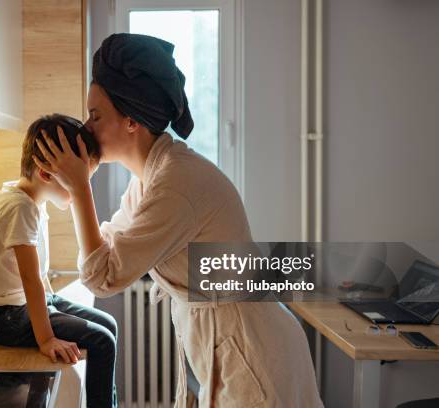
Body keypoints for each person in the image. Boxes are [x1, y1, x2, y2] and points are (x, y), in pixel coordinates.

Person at [33, 34, 323, 407]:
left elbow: (102, 277)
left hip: (254, 352)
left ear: (132, 120)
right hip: (232, 343)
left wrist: (79, 187)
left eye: (95, 115)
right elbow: (105, 252)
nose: (86, 127)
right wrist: (75, 184)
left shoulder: (174, 184)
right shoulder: (150, 180)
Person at [0, 114, 118, 408]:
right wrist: (46, 339)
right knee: (103, 341)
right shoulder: (20, 208)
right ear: (46, 174)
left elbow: (36, 275)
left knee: (107, 324)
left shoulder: (27, 199)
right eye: (77, 181)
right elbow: (30, 278)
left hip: (19, 307)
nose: (82, 190)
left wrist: (51, 301)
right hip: (3, 319)